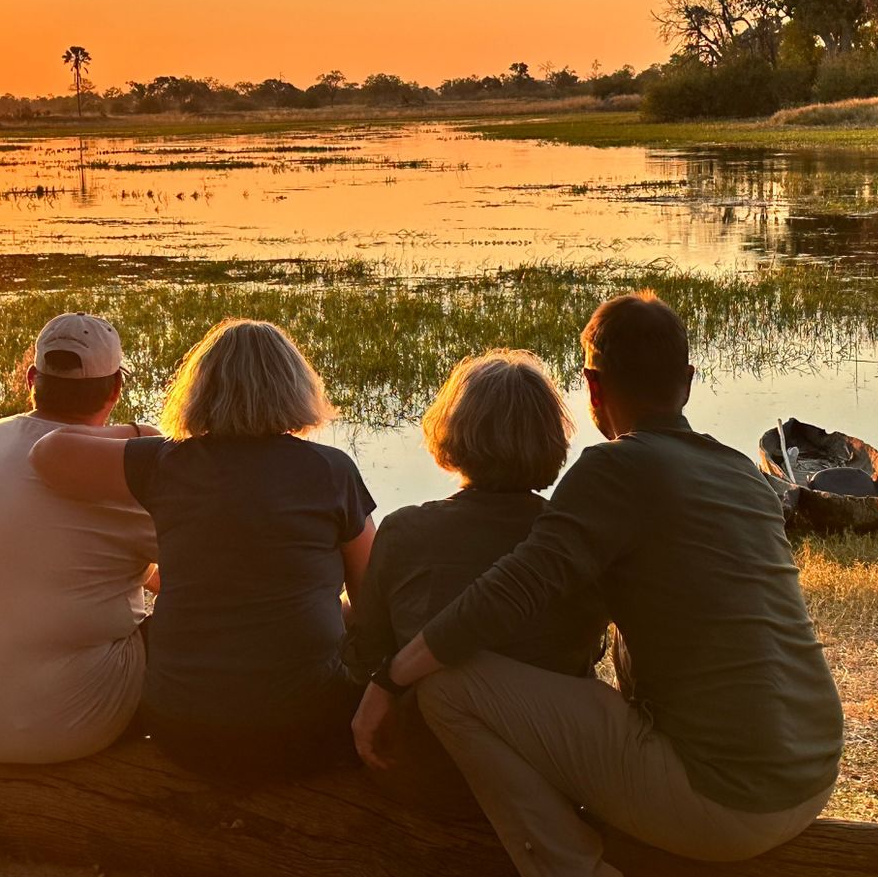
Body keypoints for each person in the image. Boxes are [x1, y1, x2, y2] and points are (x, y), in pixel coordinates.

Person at [353, 292, 843, 877]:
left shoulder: (614, 469)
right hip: (812, 773)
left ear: (592, 387)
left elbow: (506, 595)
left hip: (724, 804)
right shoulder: (741, 473)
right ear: (687, 382)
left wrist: (388, 678)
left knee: (447, 687)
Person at [30, 318, 376, 781]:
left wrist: (142, 436)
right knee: (349, 621)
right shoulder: (331, 470)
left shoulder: (165, 462)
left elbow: (48, 452)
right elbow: (372, 594)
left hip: (179, 731)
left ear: (200, 391)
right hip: (302, 733)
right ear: (294, 388)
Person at [344, 350, 608, 810]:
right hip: (550, 780)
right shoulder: (575, 540)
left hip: (424, 778)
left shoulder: (406, 530)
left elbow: (369, 654)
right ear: (552, 438)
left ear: (452, 431)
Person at [0, 313, 160, 764]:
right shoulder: (119, 476)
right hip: (63, 725)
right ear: (116, 390)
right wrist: (142, 437)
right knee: (206, 624)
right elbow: (204, 570)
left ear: (33, 378)